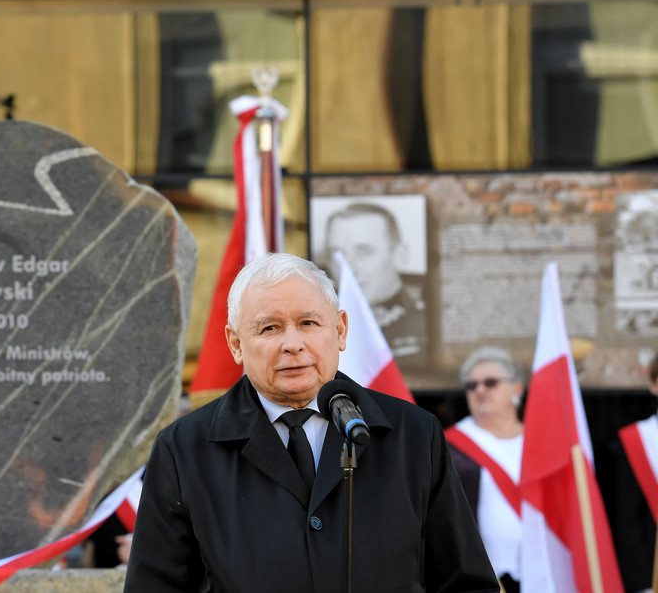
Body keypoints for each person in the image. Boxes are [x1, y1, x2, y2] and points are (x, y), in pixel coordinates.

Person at [124, 253, 497, 592]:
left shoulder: (413, 435)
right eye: (269, 328)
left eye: (308, 323)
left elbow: (464, 582)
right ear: (236, 344)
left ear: (340, 330)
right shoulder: (183, 450)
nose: (293, 344)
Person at [444, 346, 525, 593]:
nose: (480, 390)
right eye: (472, 385)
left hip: (541, 571)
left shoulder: (543, 443)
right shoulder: (447, 445)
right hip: (482, 577)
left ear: (516, 389)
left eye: (490, 382)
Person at [324, 202, 427, 372]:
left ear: (400, 255)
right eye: (337, 254)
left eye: (364, 252)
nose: (349, 268)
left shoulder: (426, 324)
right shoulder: (323, 330)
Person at [609, 352, 658, 593]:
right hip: (650, 577)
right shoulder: (633, 441)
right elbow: (626, 520)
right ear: (653, 384)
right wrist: (642, 584)